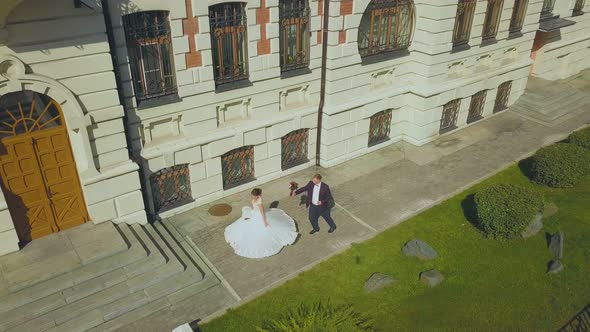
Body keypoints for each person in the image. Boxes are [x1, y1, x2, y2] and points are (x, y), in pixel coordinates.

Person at [224, 188, 298, 259]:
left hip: (259, 216)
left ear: (257, 196)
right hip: (254, 214)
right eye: (252, 195)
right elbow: (254, 207)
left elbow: (262, 212)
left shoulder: (259, 201)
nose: (252, 196)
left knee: (260, 230)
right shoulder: (255, 198)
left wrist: (264, 221)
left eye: (253, 195)